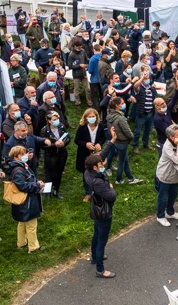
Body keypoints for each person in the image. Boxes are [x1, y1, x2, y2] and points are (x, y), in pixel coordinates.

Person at [84, 130, 118, 279]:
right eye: (100, 164)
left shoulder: (89, 171)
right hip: (104, 212)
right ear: (95, 167)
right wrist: (110, 187)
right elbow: (111, 196)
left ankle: (94, 257)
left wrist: (112, 140)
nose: (103, 163)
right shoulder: (98, 182)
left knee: (96, 234)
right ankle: (100, 269)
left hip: (96, 209)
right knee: (101, 241)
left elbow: (102, 154)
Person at [7, 146, 44, 254]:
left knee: (22, 222)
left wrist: (36, 182)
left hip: (22, 201)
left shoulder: (21, 166)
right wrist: (37, 185)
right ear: (16, 157)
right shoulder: (19, 170)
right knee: (31, 224)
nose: (26, 155)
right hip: (27, 202)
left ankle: (21, 243)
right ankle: (33, 247)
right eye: (22, 154)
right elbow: (22, 186)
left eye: (25, 153)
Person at [155, 124, 178, 227]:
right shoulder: (167, 147)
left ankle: (170, 212)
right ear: (172, 137)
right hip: (165, 175)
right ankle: (160, 216)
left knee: (173, 195)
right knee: (163, 198)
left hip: (176, 175)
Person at [106, 96, 142, 185]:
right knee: (122, 162)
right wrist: (131, 137)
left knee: (125, 160)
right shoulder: (120, 118)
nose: (124, 104)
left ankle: (130, 178)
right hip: (122, 142)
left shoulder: (109, 115)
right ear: (116, 105)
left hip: (116, 141)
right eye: (122, 103)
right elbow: (127, 131)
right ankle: (118, 180)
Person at [75, 108, 106, 201]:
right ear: (86, 118)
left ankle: (100, 190)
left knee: (98, 171)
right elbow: (77, 140)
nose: (92, 118)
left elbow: (103, 137)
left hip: (96, 153)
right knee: (86, 173)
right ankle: (88, 193)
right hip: (84, 154)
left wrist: (99, 143)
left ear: (96, 117)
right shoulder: (82, 127)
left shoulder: (100, 125)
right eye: (90, 116)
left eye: (93, 116)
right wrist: (85, 144)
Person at [39, 110, 71, 199]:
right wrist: (54, 145)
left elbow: (68, 137)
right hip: (50, 155)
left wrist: (64, 143)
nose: (57, 121)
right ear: (49, 121)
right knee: (49, 174)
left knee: (59, 173)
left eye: (57, 119)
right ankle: (47, 192)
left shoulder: (61, 126)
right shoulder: (44, 130)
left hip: (62, 154)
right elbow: (42, 145)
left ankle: (56, 190)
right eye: (54, 119)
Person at [131, 69, 157, 154]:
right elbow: (135, 86)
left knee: (147, 130)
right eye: (145, 78)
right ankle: (135, 146)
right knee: (138, 131)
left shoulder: (151, 88)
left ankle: (145, 144)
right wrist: (142, 77)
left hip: (150, 113)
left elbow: (155, 98)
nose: (147, 79)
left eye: (148, 77)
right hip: (142, 114)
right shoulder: (139, 88)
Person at [68, 40, 92, 107]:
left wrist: (91, 61)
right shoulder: (71, 55)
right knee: (77, 90)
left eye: (81, 46)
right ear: (75, 46)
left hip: (83, 73)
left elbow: (86, 59)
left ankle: (89, 102)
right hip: (76, 75)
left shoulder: (83, 51)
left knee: (88, 89)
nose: (80, 48)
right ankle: (77, 102)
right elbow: (70, 66)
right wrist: (79, 66)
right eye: (78, 46)